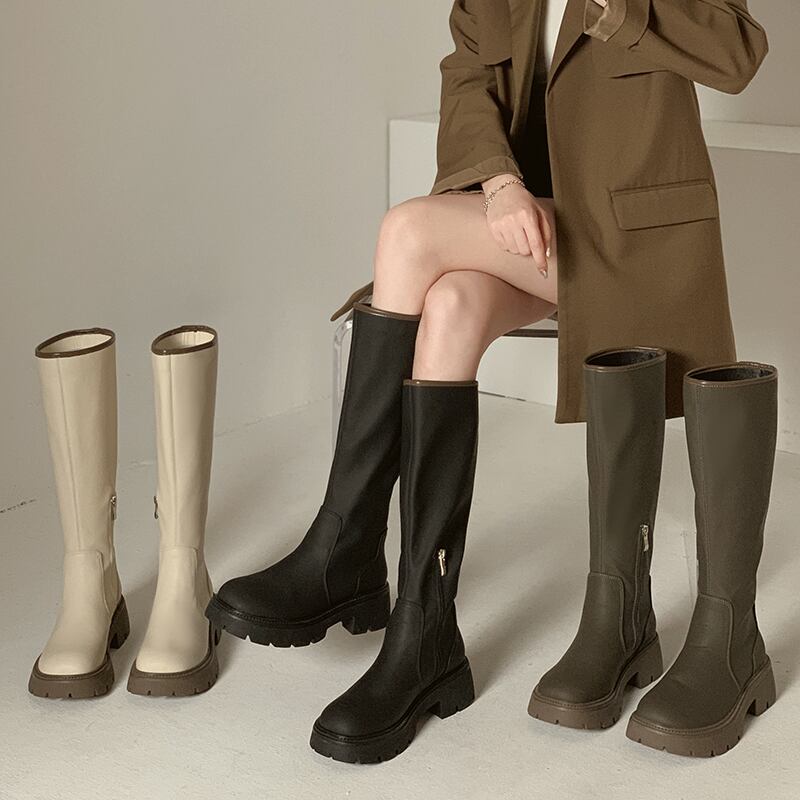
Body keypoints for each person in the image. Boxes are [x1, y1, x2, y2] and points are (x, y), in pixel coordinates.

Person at [206, 0, 769, 762]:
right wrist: (498, 182)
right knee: (450, 305)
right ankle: (424, 632)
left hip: (631, 240)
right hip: (533, 228)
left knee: (407, 233)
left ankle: (346, 544)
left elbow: (738, 55)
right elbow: (467, 76)